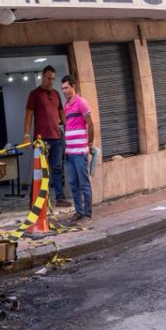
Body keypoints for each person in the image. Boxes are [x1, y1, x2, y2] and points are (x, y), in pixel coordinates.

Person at [23, 65, 69, 207]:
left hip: (57, 138)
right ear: (43, 77)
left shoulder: (55, 94)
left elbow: (61, 112)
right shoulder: (34, 94)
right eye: (48, 78)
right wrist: (26, 134)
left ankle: (60, 198)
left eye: (53, 79)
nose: (51, 81)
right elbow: (29, 114)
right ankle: (35, 200)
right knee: (40, 170)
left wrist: (68, 127)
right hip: (41, 139)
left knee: (57, 168)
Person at [60, 75, 96, 227]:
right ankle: (78, 211)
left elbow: (91, 125)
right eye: (62, 88)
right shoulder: (67, 105)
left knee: (84, 184)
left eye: (66, 87)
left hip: (80, 152)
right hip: (69, 153)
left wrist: (89, 144)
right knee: (73, 184)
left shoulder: (81, 103)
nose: (64, 91)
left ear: (73, 87)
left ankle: (87, 214)